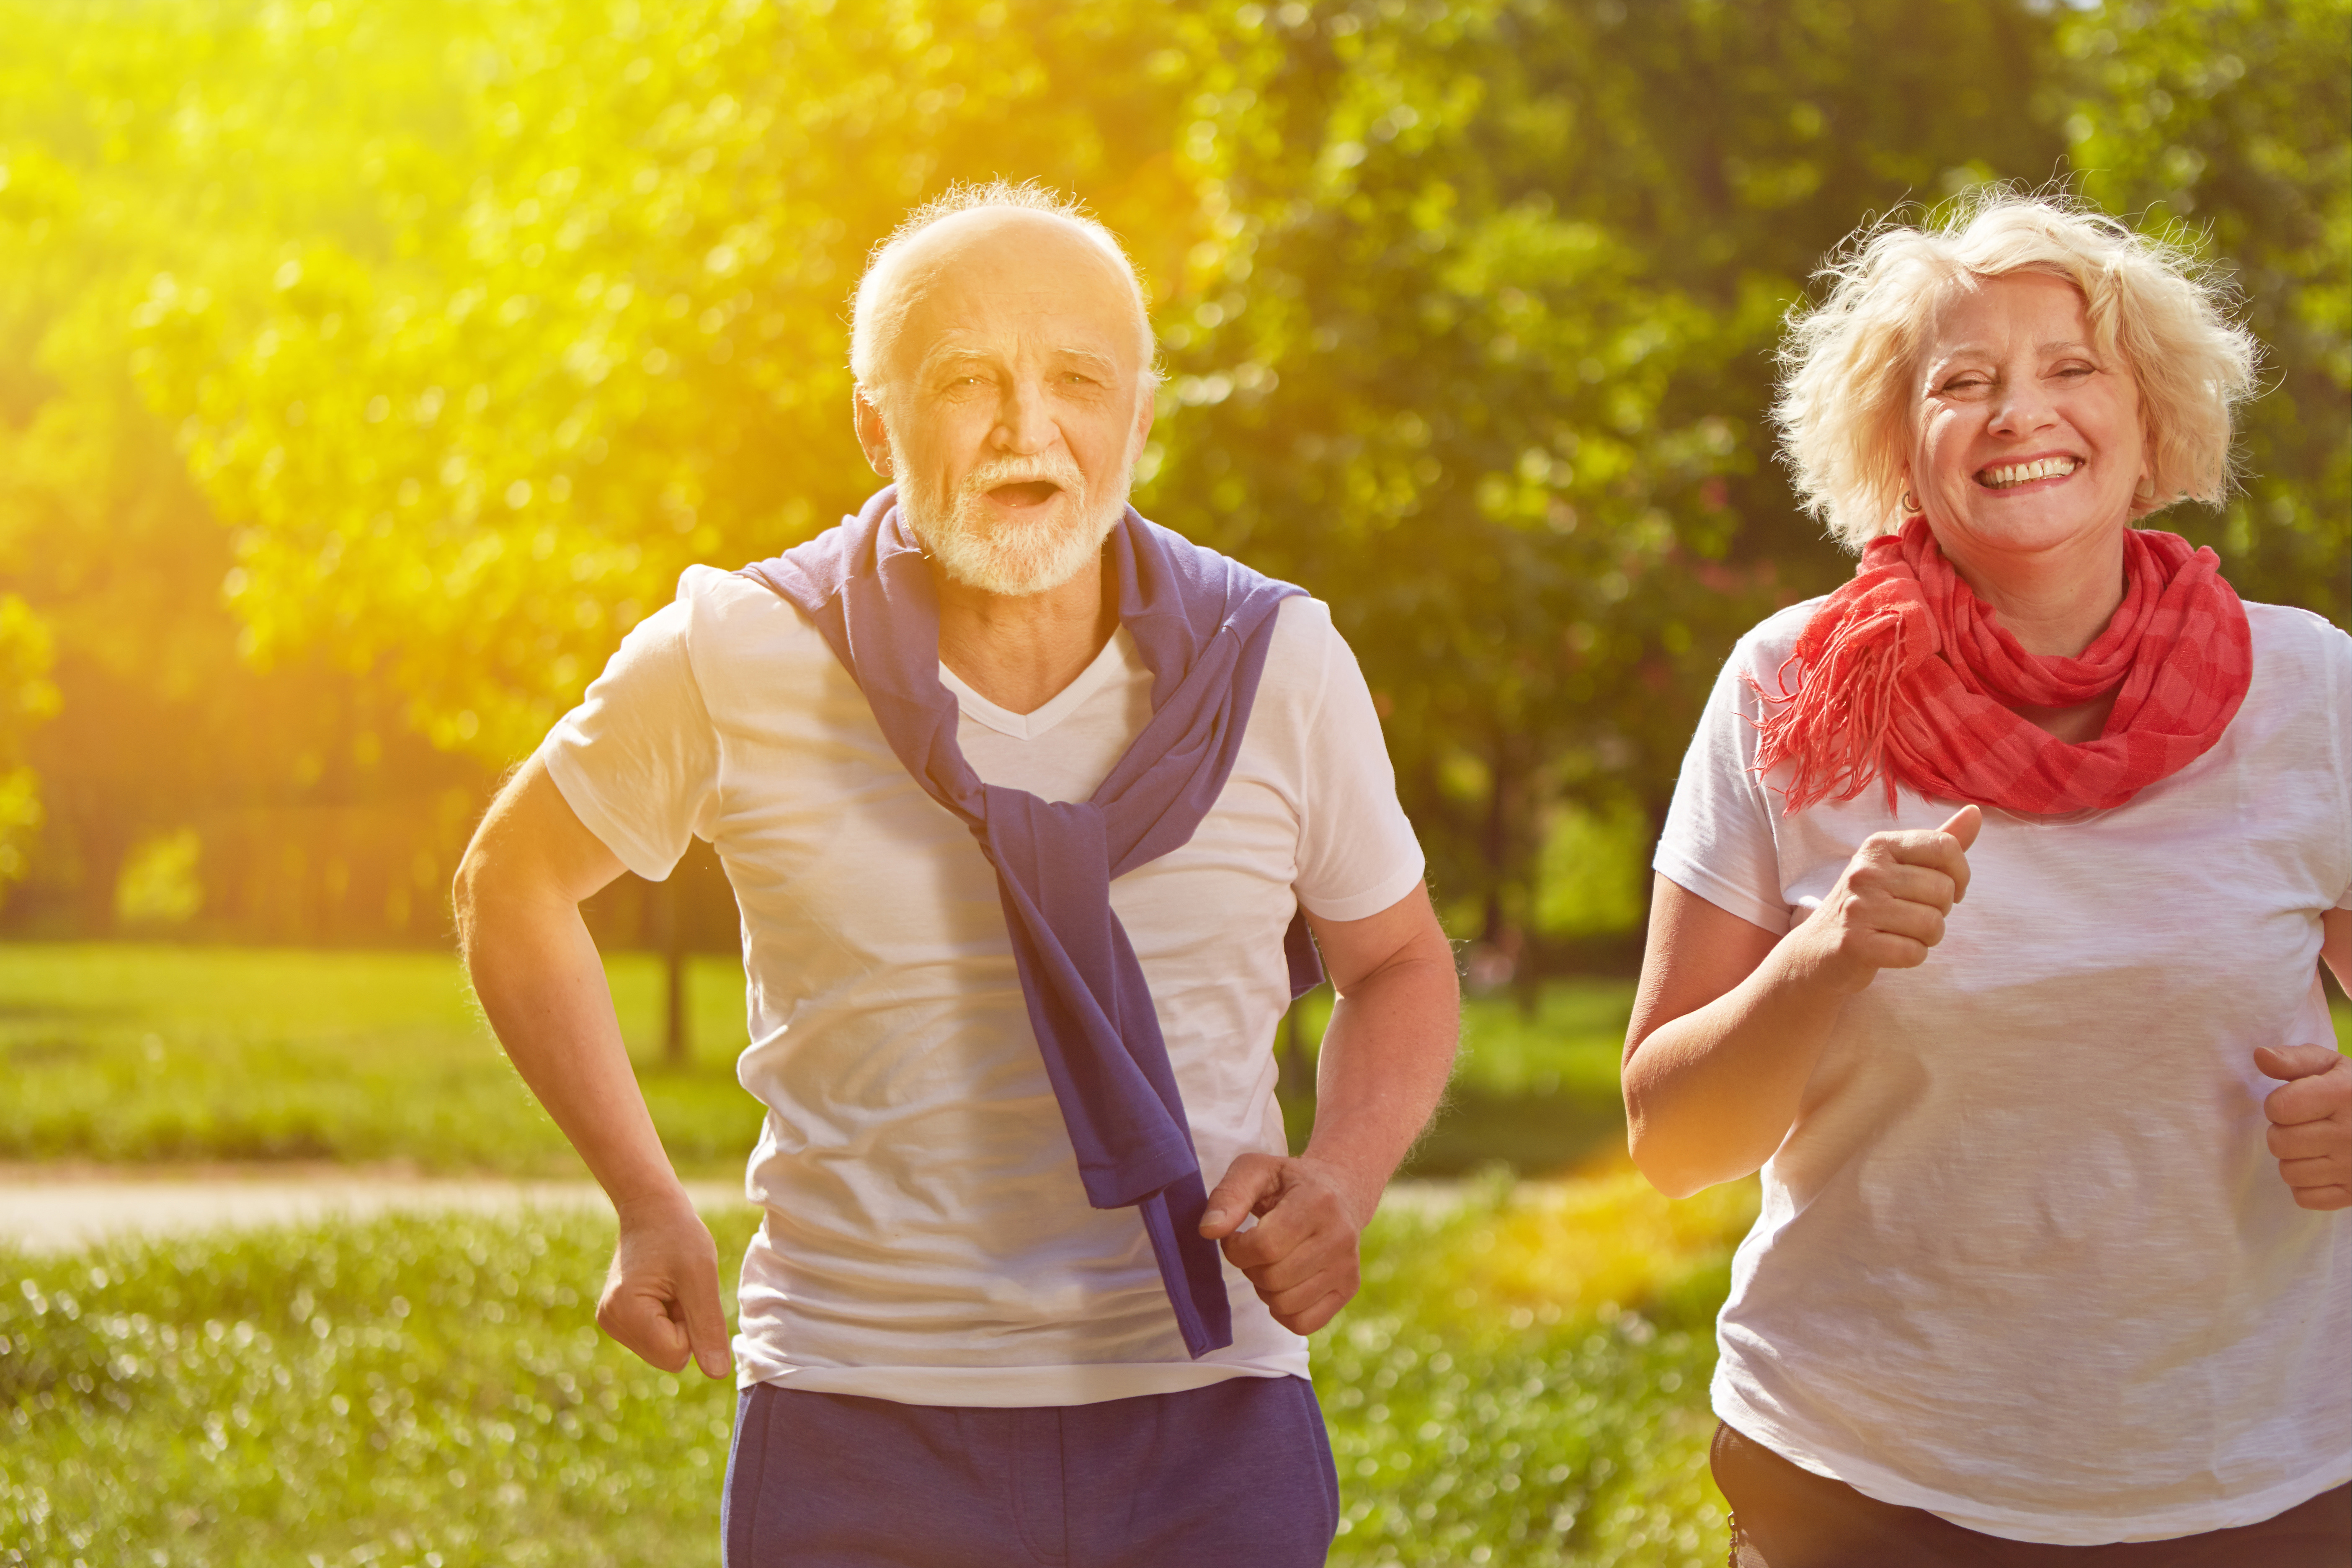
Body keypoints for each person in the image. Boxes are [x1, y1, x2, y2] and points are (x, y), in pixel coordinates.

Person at [452, 180, 1459, 1565]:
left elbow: (1397, 961)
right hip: (858, 1420)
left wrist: (1343, 1176)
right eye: (967, 382)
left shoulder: (1277, 663)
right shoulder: (739, 650)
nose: (1027, 429)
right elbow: (512, 884)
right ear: (876, 425)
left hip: (1208, 1419)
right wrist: (645, 1200)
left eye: (1078, 381)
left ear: (1141, 419)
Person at [1623, 191, 2351, 1565]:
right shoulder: (1795, 688)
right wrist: (1818, 959)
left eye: (2073, 370)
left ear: (2153, 425)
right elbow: (1673, 1142)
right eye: (1965, 383)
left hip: (2257, 1477)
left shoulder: (2310, 687)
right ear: (1903, 447)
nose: (2023, 412)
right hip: (1863, 1478)